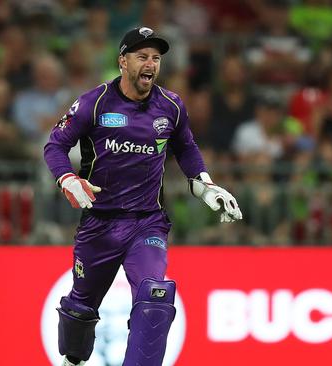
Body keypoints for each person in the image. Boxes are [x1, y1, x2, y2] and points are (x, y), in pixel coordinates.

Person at [43, 27, 242, 366]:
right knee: (79, 309)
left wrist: (205, 185)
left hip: (146, 224)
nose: (150, 64)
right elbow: (55, 145)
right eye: (141, 56)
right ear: (123, 61)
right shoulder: (94, 103)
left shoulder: (171, 107)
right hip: (100, 224)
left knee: (156, 297)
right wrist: (67, 179)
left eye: (156, 58)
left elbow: (187, 148)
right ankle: (72, 360)